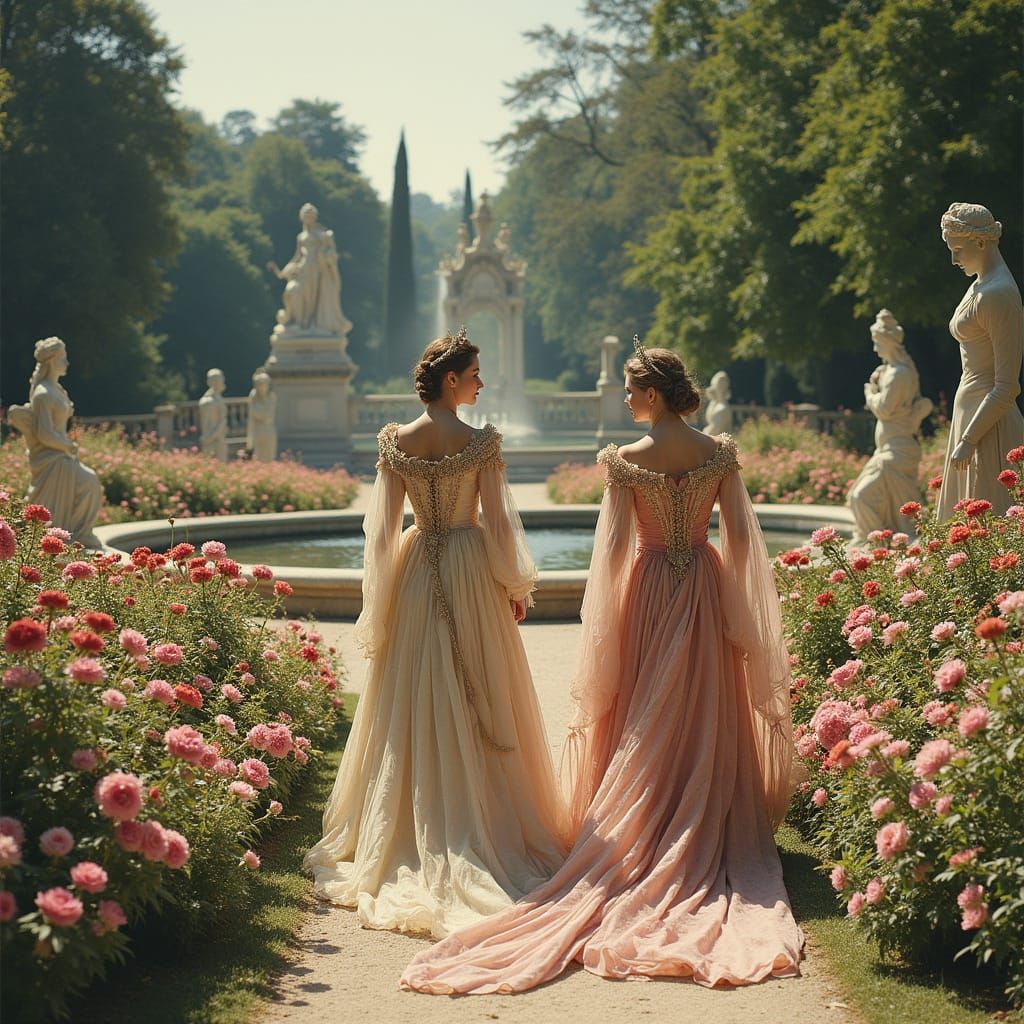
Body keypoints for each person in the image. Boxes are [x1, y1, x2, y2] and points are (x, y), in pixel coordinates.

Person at [402, 337, 803, 994]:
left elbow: (613, 554)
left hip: (647, 591)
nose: (622, 399)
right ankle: (701, 813)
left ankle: (649, 819)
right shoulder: (717, 456)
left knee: (645, 713)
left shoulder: (626, 462)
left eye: (629, 389)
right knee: (703, 704)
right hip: (701, 584)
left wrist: (608, 626)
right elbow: (740, 541)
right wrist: (737, 614)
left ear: (651, 395)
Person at [304, 329, 569, 938]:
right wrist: (513, 585)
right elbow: (500, 522)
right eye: (475, 373)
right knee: (481, 680)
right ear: (452, 381)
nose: (481, 382)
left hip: (417, 565)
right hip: (470, 567)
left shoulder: (396, 442)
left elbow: (377, 534)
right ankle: (479, 818)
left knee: (415, 690)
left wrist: (382, 596)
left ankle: (417, 817)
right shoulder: (481, 443)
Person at [936, 202, 1024, 520]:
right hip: (971, 414)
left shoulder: (998, 295)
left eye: (958, 249)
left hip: (989, 426)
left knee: (986, 529)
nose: (954, 259)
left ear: (982, 242)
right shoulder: (980, 285)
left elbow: (1006, 386)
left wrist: (970, 439)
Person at [7, 336, 103, 547]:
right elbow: (44, 435)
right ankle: (67, 534)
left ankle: (77, 533)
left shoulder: (56, 389)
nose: (67, 363)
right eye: (63, 358)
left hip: (61, 454)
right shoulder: (43, 394)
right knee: (89, 482)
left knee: (90, 483)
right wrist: (68, 445)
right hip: (51, 456)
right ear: (51, 361)